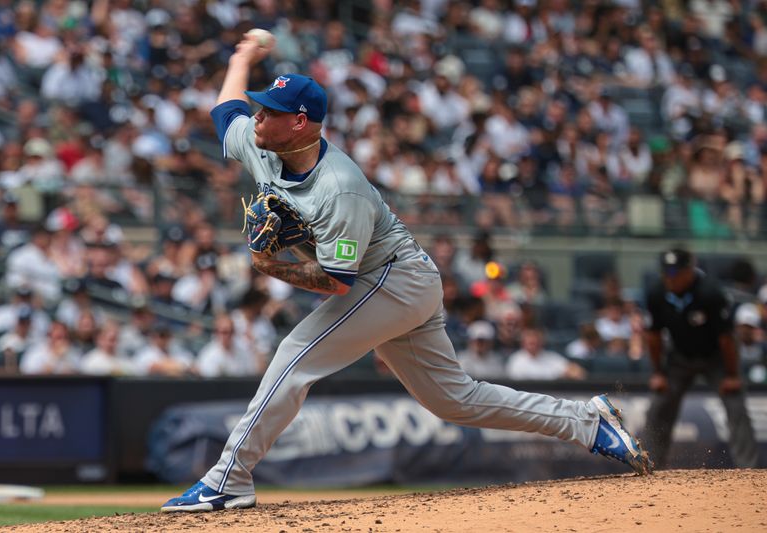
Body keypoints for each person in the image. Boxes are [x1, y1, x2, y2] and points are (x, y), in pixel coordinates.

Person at [161, 33, 653, 513]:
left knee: (295, 356)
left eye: (268, 111)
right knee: (455, 400)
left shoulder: (340, 188)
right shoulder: (264, 142)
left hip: (393, 279)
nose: (257, 116)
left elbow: (336, 281)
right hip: (399, 281)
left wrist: (271, 264)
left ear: (301, 122)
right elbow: (225, 111)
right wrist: (243, 57)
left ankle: (228, 479)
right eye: (261, 108)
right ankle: (587, 422)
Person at [642, 248, 759, 469]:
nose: (671, 278)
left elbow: (727, 339)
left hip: (715, 357)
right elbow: (654, 336)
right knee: (659, 406)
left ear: (689, 271)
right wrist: (658, 372)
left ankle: (748, 470)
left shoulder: (710, 292)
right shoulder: (657, 293)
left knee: (735, 404)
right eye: (666, 273)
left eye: (676, 273)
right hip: (679, 357)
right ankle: (649, 466)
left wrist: (732, 375)